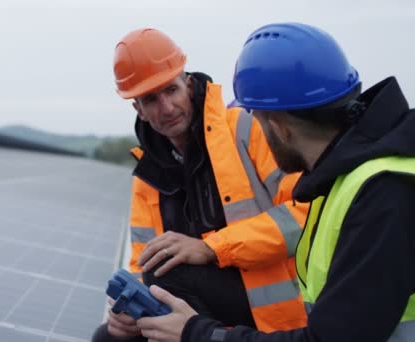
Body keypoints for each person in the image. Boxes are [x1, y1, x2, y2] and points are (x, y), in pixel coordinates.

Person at [135, 22, 415, 342]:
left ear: (279, 127)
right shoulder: (354, 177)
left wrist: (199, 334)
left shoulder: (383, 193)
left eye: (255, 118)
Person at [92, 28, 309, 342]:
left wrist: (210, 248)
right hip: (200, 302)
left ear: (188, 83)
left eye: (171, 90)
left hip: (277, 308)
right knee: (110, 336)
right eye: (151, 99)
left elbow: (304, 215)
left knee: (169, 271)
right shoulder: (148, 172)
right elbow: (142, 258)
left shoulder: (246, 129)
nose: (166, 108)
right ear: (138, 109)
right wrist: (127, 308)